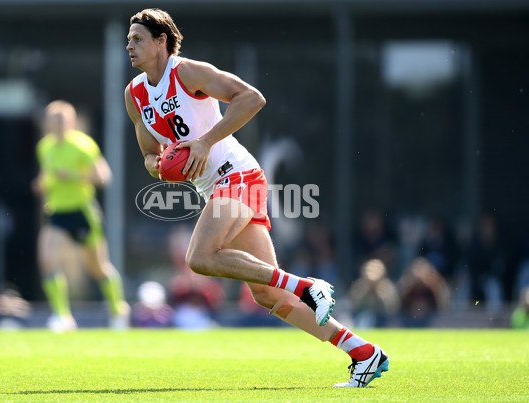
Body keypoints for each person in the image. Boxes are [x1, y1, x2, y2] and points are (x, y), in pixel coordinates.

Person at [124, 8, 389, 387]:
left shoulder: (186, 72)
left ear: (161, 41)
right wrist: (162, 165)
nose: (129, 46)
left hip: (237, 173)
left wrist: (203, 142)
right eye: (129, 39)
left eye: (137, 38)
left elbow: (251, 98)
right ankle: (363, 353)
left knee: (199, 257)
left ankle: (306, 285)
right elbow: (150, 155)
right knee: (269, 296)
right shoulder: (134, 95)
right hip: (211, 187)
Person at [33, 100, 129, 331]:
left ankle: (118, 310)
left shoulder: (83, 146)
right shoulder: (44, 147)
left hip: (83, 211)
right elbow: (47, 175)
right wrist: (42, 183)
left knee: (97, 267)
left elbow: (103, 177)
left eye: (62, 121)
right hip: (57, 212)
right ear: (47, 124)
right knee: (47, 261)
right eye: (53, 121)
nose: (58, 126)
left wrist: (73, 176)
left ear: (72, 122)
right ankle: (62, 316)